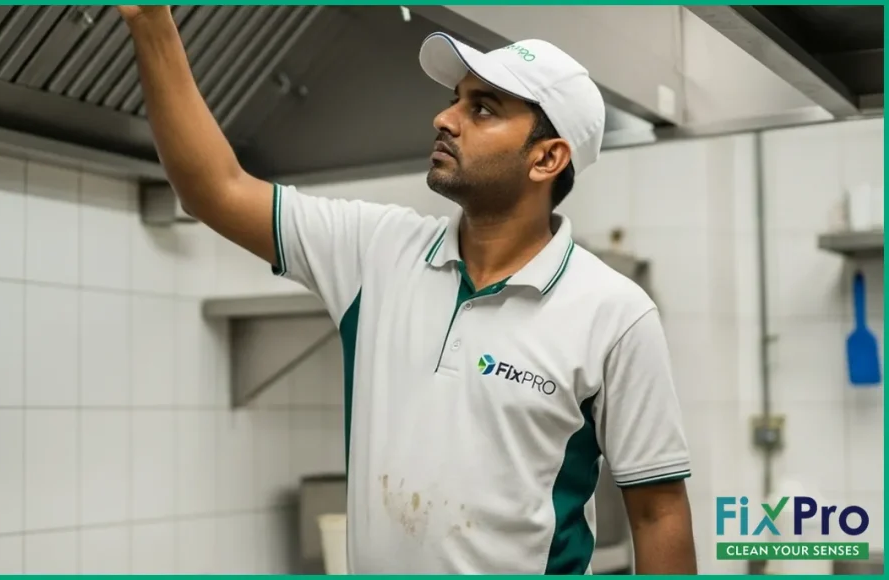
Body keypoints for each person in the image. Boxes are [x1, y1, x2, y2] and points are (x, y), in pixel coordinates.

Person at [119, 5, 697, 574]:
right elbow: (214, 190)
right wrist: (152, 22)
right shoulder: (377, 251)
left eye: (483, 109)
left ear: (547, 158)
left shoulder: (615, 314)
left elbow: (658, 515)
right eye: (454, 101)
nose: (445, 120)